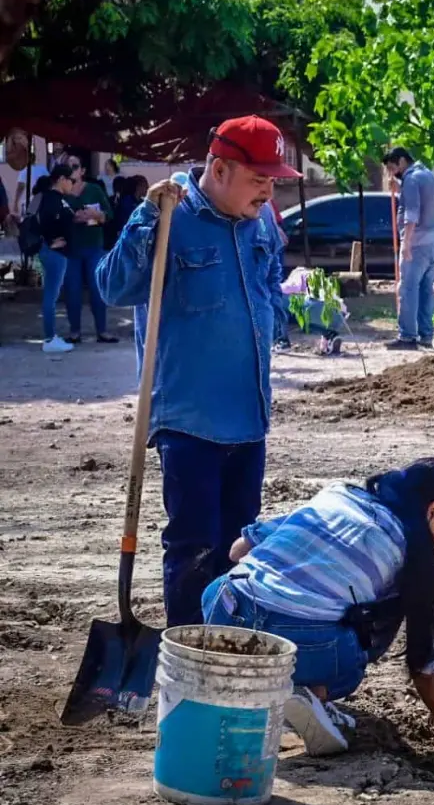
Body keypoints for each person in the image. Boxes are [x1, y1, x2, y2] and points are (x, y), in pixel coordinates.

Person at [97, 115, 298, 627]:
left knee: (238, 545)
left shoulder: (261, 223)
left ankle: (226, 644)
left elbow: (270, 276)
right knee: (193, 545)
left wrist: (275, 310)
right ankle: (187, 651)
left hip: (249, 416)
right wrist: (145, 217)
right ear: (219, 168)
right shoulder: (169, 217)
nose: (268, 191)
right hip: (188, 418)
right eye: (259, 179)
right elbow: (113, 288)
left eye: (274, 181)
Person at [203, 458, 434, 755]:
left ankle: (247, 678)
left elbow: (238, 549)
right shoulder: (410, 552)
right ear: (433, 509)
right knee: (360, 643)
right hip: (296, 638)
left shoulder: (339, 494)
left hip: (222, 604)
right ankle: (307, 691)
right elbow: (425, 662)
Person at [382, 147, 434, 350]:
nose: (392, 173)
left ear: (401, 161)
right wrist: (399, 190)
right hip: (433, 243)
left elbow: (412, 213)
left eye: (392, 167)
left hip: (416, 244)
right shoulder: (427, 175)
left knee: (407, 289)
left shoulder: (411, 179)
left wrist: (406, 244)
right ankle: (426, 335)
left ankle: (407, 337)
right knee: (426, 290)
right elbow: (422, 202)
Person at [62, 150, 117, 344]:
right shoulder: (62, 191)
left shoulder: (94, 189)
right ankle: (75, 331)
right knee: (73, 290)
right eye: (68, 167)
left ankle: (102, 331)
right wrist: (73, 218)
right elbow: (55, 218)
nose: (71, 170)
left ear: (83, 170)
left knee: (97, 288)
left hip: (94, 246)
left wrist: (95, 215)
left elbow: (109, 215)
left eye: (75, 166)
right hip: (71, 249)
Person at [35, 167, 78, 354]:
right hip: (54, 254)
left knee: (51, 296)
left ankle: (51, 337)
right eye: (71, 180)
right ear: (61, 179)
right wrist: (51, 240)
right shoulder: (51, 199)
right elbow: (44, 221)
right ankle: (50, 338)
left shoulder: (51, 198)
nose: (73, 184)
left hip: (56, 253)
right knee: (51, 297)